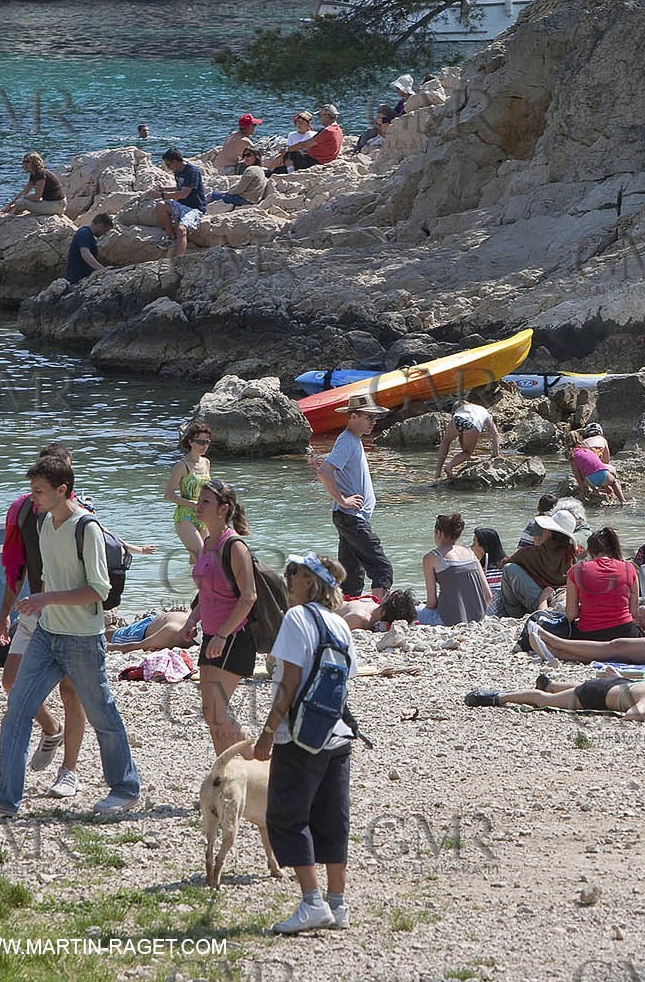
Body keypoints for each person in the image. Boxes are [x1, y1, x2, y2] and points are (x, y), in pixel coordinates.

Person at [0, 455, 141, 816]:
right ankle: (6, 795)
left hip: (82, 638)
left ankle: (125, 788)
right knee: (17, 709)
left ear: (63, 491)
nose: (33, 498)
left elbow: (98, 590)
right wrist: (33, 606)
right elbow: (46, 577)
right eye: (32, 490)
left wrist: (46, 598)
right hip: (47, 633)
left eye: (39, 491)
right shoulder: (44, 523)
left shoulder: (86, 528)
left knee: (102, 712)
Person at [248, 553, 358, 934]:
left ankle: (312, 902)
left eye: (292, 573)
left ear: (309, 582)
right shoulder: (340, 625)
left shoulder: (297, 619)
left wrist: (266, 735)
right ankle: (338, 905)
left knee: (287, 815)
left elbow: (289, 682)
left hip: (299, 736)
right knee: (332, 818)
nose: (286, 578)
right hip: (337, 735)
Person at [187, 479, 260, 755]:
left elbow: (248, 597)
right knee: (211, 714)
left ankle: (261, 762)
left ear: (223, 509)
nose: (198, 506)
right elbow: (206, 592)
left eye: (205, 501)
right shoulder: (207, 543)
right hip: (212, 636)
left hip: (234, 638)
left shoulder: (235, 546)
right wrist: (192, 619)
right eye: (199, 500)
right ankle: (227, 777)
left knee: (217, 713)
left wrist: (222, 635)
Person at [319, 393, 393, 599]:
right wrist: (342, 500)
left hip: (349, 517)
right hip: (352, 517)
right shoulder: (348, 441)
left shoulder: (352, 440)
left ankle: (344, 611)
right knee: (382, 568)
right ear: (352, 416)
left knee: (351, 575)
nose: (373, 422)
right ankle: (381, 615)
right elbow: (324, 471)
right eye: (368, 417)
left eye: (374, 417)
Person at [465, 673, 645, 718]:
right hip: (594, 696)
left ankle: (552, 683)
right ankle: (497, 697)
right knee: (544, 701)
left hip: (616, 684)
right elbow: (632, 715)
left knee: (571, 687)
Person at [556, 526, 641, 641]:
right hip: (625, 632)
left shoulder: (576, 571)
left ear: (590, 552)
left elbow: (571, 615)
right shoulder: (629, 568)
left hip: (589, 635)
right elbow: (634, 612)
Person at [495, 509, 579, 617]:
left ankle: (513, 614)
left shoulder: (530, 553)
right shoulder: (572, 552)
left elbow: (504, 563)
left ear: (547, 532)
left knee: (509, 568)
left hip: (539, 600)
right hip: (561, 597)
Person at [419, 513, 492, 626]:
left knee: (414, 610)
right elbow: (488, 596)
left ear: (438, 533)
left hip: (447, 620)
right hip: (478, 617)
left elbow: (432, 603)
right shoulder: (471, 554)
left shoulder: (431, 557)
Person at [165, 420, 214, 558]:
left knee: (205, 556)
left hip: (203, 515)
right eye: (200, 442)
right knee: (201, 556)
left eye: (207, 442)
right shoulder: (182, 465)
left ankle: (187, 580)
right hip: (185, 516)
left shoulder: (206, 463)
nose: (204, 446)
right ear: (191, 442)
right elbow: (168, 495)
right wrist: (192, 504)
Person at [150, 148, 208, 258]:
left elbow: (184, 193)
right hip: (182, 205)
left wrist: (161, 195)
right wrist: (163, 189)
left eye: (168, 165)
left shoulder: (192, 171)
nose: (168, 168)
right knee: (160, 206)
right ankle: (171, 237)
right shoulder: (178, 171)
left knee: (182, 230)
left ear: (175, 162)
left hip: (194, 208)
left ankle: (178, 261)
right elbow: (180, 187)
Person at [433, 400, 502, 479]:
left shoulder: (461, 410)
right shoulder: (483, 410)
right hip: (472, 423)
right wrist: (495, 454)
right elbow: (495, 434)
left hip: (456, 420)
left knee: (446, 442)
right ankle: (449, 466)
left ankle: (438, 472)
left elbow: (461, 432)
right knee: (467, 452)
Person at [270, 105, 343, 174]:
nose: (319, 119)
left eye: (320, 116)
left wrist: (287, 149)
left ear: (327, 116)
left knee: (291, 152)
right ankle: (274, 171)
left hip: (316, 160)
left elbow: (305, 144)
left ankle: (290, 173)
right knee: (280, 169)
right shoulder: (338, 129)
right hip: (323, 158)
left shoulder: (328, 131)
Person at [568, 431, 627, 504]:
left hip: (590, 480)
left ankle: (594, 490)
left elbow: (576, 474)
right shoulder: (588, 450)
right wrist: (606, 484)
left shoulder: (573, 456)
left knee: (583, 471)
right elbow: (602, 463)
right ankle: (622, 501)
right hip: (603, 474)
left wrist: (582, 490)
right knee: (614, 482)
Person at [1, 152, 66, 216]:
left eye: (27, 162)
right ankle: (11, 212)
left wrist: (24, 198)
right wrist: (10, 204)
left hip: (57, 205)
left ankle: (12, 215)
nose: (25, 164)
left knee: (22, 203)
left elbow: (37, 197)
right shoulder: (34, 174)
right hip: (52, 203)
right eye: (24, 162)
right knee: (21, 201)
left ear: (35, 162)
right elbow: (24, 191)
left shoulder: (40, 174)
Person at [65, 213, 113, 283]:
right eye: (105, 231)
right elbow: (85, 254)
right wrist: (102, 270)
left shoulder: (89, 235)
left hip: (83, 277)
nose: (104, 234)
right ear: (101, 225)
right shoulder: (84, 233)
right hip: (77, 278)